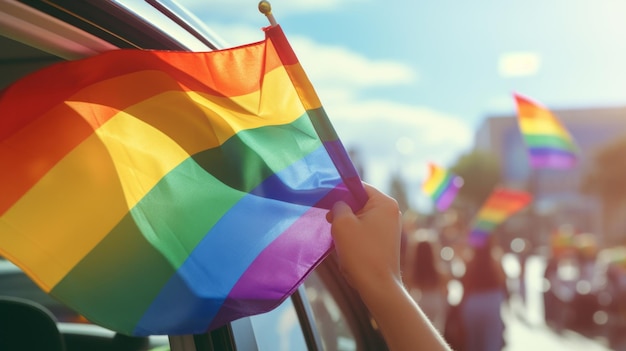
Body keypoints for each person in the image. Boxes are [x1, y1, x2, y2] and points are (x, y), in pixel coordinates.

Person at [326, 183, 452, 351]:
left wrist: (383, 279)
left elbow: (411, 288)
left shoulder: (414, 273)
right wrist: (384, 279)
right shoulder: (440, 273)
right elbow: (447, 292)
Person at [459, 237, 508, 351]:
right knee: (491, 343)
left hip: (473, 303)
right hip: (492, 302)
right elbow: (503, 280)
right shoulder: (495, 260)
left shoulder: (471, 261)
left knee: (473, 343)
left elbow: (465, 284)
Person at [408, 240, 450, 333]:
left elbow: (409, 291)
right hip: (436, 301)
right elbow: (446, 291)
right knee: (438, 333)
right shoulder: (439, 271)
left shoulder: (414, 272)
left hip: (421, 301)